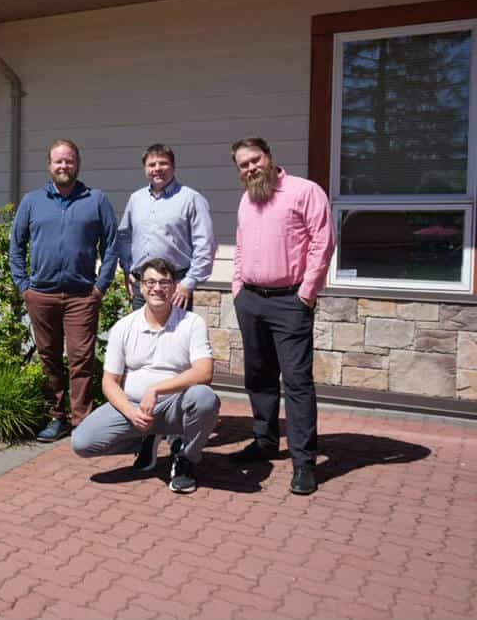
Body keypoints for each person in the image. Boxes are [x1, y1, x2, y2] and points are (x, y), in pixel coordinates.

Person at [228, 137, 335, 495]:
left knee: (297, 381)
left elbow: (323, 243)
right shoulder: (247, 199)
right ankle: (265, 442)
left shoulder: (305, 191)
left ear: (269, 156)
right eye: (243, 165)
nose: (251, 168)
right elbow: (240, 246)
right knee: (258, 375)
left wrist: (307, 293)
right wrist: (238, 287)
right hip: (251, 300)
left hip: (290, 301)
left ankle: (304, 462)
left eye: (255, 160)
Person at [71, 258, 218, 494]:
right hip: (134, 406)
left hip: (175, 405)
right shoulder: (124, 327)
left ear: (174, 287)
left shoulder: (192, 323)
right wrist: (131, 413)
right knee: (82, 442)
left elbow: (204, 371)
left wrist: (156, 389)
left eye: (164, 282)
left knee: (204, 398)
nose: (157, 288)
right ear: (140, 287)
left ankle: (186, 458)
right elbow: (109, 382)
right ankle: (145, 439)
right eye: (150, 282)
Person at [10, 139, 121, 442]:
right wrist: (24, 286)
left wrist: (100, 287)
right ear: (49, 165)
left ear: (78, 164)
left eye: (69, 160)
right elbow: (16, 245)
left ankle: (81, 421)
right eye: (58, 161)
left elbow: (111, 245)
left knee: (81, 359)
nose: (64, 166)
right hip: (41, 295)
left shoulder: (96, 200)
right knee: (49, 358)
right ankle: (56, 417)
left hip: (81, 296)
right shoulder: (32, 201)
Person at [118, 144, 217, 312]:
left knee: (176, 329)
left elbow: (205, 245)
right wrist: (128, 270)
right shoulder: (136, 199)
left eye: (163, 163)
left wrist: (188, 283)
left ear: (173, 166)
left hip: (175, 287)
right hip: (142, 286)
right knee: (142, 329)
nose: (157, 168)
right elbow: (124, 236)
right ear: (145, 169)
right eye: (151, 164)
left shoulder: (191, 199)